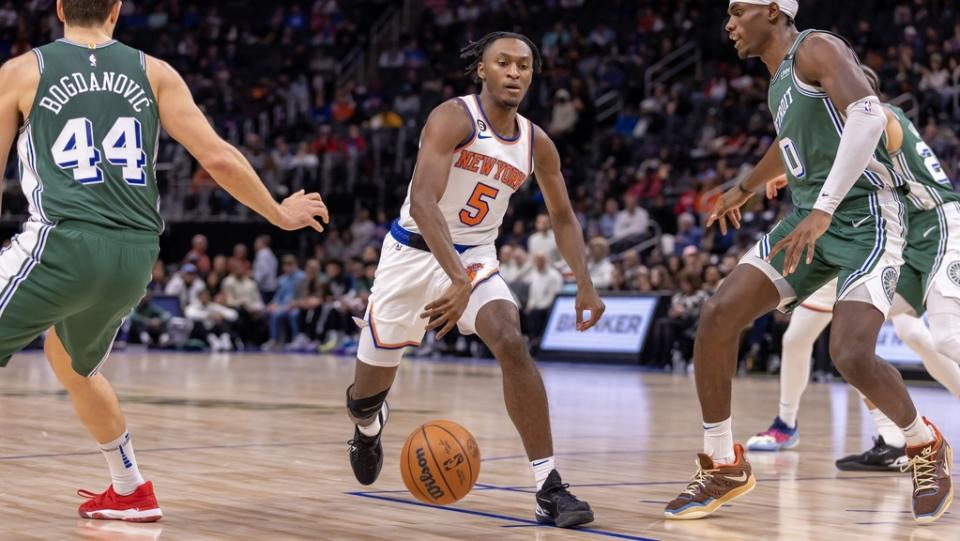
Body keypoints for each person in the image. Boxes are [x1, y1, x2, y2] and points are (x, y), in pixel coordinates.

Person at [0, 0, 328, 522]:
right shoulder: (154, 72)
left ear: (60, 8)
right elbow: (217, 156)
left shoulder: (22, 71)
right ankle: (130, 487)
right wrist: (278, 212)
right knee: (71, 362)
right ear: (117, 9)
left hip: (64, 241)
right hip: (136, 254)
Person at [664, 1, 952, 524]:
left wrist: (823, 210)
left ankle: (922, 442)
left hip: (869, 219)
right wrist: (744, 187)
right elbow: (789, 144)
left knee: (849, 353)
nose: (727, 23)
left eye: (738, 11)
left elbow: (867, 115)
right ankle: (724, 461)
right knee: (717, 314)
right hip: (806, 220)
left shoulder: (816, 46)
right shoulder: (778, 82)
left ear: (773, 11)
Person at [344, 31, 605, 528]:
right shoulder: (453, 117)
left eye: (523, 65)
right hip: (410, 255)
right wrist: (454, 276)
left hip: (475, 257)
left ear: (532, 74)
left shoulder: (536, 143)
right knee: (364, 397)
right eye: (502, 63)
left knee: (511, 339)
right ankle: (368, 426)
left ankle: (548, 486)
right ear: (481, 70)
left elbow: (565, 217)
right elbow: (423, 200)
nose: (513, 72)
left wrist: (585, 282)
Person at [747, 68, 960, 470]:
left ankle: (891, 435)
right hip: (902, 232)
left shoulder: (878, 116)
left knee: (941, 336)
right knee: (851, 339)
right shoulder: (863, 123)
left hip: (936, 223)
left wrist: (784, 170)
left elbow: (842, 162)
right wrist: (783, 170)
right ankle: (887, 437)